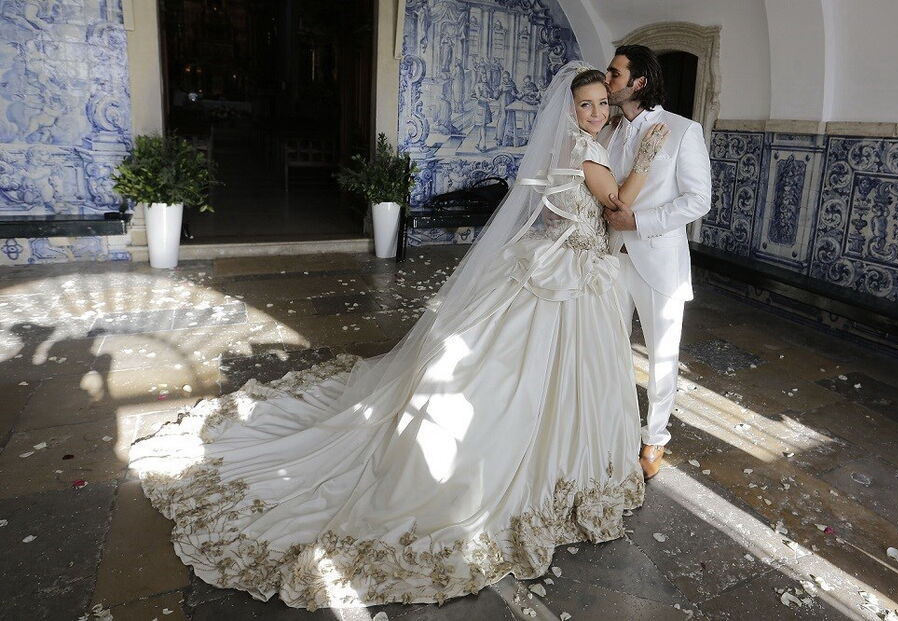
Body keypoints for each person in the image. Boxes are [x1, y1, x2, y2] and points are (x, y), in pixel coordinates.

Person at [129, 62, 670, 612]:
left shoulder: (574, 147)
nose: (595, 112)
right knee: (525, 374)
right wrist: (646, 160)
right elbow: (617, 205)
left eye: (601, 103)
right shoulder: (587, 151)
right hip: (565, 275)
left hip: (567, 271)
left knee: (543, 369)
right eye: (586, 104)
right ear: (571, 110)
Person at [599, 45, 712, 479]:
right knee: (609, 346)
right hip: (610, 256)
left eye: (615, 74)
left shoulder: (683, 130)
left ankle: (655, 438)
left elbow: (698, 199)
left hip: (659, 258)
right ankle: (613, 424)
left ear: (639, 82)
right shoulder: (608, 131)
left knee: (662, 354)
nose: (607, 80)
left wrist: (639, 221)